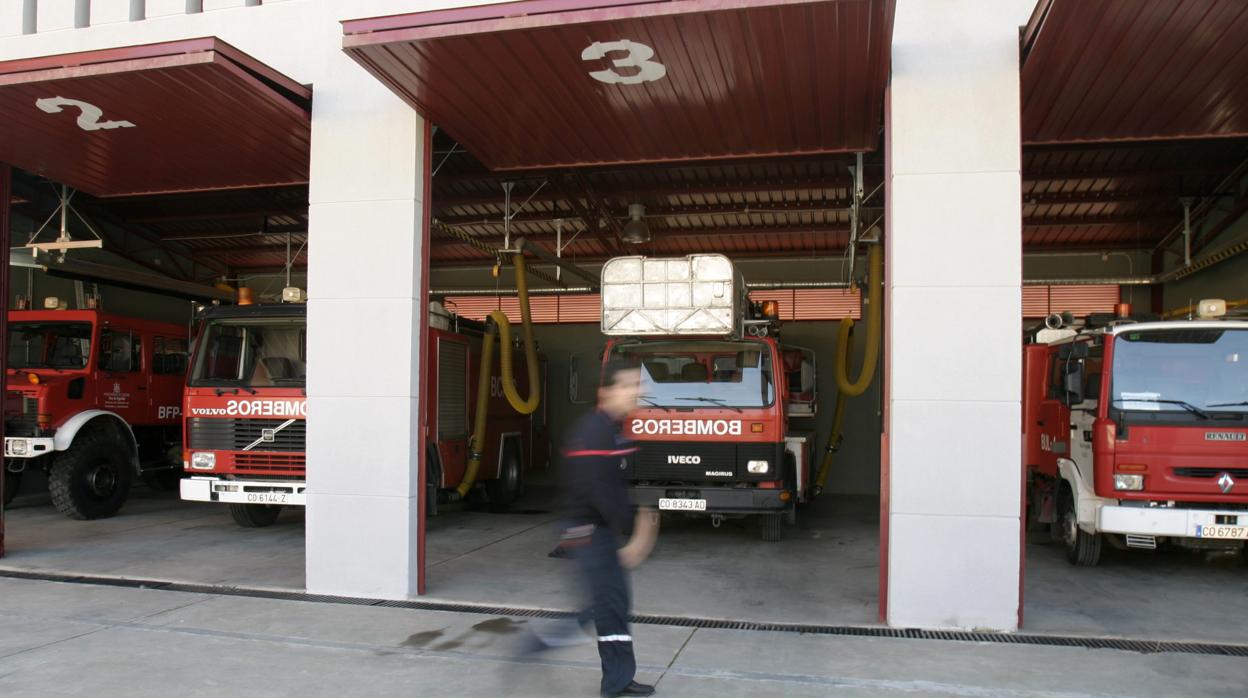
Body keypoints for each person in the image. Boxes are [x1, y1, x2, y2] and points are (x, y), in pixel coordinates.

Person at [557, 360, 657, 698]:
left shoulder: (614, 428)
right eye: (630, 385)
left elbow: (614, 487)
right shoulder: (595, 431)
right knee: (602, 605)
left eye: (639, 386)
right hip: (586, 531)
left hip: (598, 530)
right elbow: (597, 489)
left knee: (612, 604)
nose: (638, 392)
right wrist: (632, 536)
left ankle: (618, 680)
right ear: (606, 392)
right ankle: (537, 643)